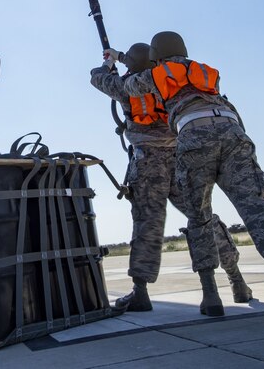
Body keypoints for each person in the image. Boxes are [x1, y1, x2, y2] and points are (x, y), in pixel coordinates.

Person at [102, 32, 264, 320]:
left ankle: (170, 293)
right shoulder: (201, 74)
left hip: (161, 156)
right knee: (247, 209)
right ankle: (253, 283)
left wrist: (108, 64)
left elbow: (110, 82)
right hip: (207, 138)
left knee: (161, 221)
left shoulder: (141, 82)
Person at [90, 43, 253, 312]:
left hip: (147, 163)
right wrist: (119, 56)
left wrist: (109, 64)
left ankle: (140, 292)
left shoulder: (126, 85)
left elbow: (97, 78)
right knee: (203, 217)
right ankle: (237, 281)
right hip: (180, 156)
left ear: (130, 65)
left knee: (148, 223)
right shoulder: (164, 79)